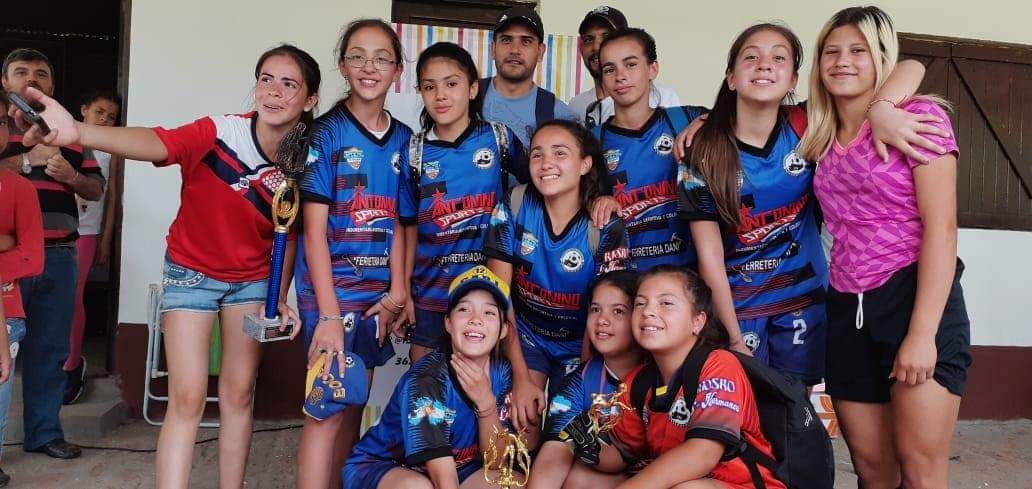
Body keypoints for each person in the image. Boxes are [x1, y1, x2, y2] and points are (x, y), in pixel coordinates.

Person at [14, 44, 317, 487]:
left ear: (309, 99)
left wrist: (279, 296)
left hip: (252, 282)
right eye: (266, 79)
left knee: (238, 394)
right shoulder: (220, 132)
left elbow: (288, 233)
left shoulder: (306, 159)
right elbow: (156, 141)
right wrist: (78, 132)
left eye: (289, 84)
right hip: (192, 274)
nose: (273, 91)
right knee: (188, 397)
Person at [677, 22, 944, 382]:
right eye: (751, 57)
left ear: (793, 80)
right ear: (731, 78)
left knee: (795, 407)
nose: (764, 64)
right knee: (740, 406)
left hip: (804, 300)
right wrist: (734, 338)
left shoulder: (810, 124)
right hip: (739, 307)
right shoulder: (701, 154)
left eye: (779, 58)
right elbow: (709, 258)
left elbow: (912, 66)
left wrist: (881, 108)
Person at [803, 7, 970, 489]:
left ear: (880, 58)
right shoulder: (817, 132)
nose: (842, 61)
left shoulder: (919, 117)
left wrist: (922, 334)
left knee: (920, 470)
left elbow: (942, 229)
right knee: (873, 472)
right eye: (831, 52)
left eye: (858, 51)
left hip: (912, 296)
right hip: (845, 306)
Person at [294, 19, 411, 489]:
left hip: (376, 300)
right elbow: (312, 233)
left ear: (397, 70)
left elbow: (400, 223)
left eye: (382, 58)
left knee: (355, 403)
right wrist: (327, 314)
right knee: (325, 409)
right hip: (332, 295)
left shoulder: (405, 140)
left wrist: (398, 291)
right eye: (358, 56)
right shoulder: (324, 134)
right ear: (342, 66)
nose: (369, 67)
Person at [565, 266, 786, 488]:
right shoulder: (638, 383)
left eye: (666, 303)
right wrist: (591, 447)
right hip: (679, 481)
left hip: (742, 484)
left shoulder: (719, 364)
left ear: (697, 321)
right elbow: (624, 453)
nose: (648, 311)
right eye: (640, 303)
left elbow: (702, 454)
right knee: (583, 478)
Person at [485, 119, 630, 436]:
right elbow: (499, 298)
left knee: (567, 439)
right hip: (526, 338)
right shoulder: (514, 205)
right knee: (518, 436)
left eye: (560, 153)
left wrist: (583, 381)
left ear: (585, 164)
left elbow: (605, 315)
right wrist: (521, 377)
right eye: (537, 154)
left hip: (580, 346)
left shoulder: (605, 225)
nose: (546, 163)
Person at [0, 47, 103, 460]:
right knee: (2, 351)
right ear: (5, 82)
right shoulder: (0, 130)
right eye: (21, 71)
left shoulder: (69, 132)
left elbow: (96, 190)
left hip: (59, 255)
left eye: (41, 73)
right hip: (8, 260)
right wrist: (28, 159)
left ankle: (44, 433)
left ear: (52, 85)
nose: (32, 79)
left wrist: (72, 175)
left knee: (51, 349)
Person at [399, 42, 528, 364]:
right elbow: (408, 227)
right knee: (425, 386)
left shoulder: (498, 138)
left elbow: (541, 187)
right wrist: (405, 292)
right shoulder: (413, 152)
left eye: (451, 84)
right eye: (430, 87)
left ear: (472, 89)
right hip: (431, 294)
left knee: (483, 384)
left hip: (485, 293)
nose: (440, 95)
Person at [342, 265, 520, 489]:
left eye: (489, 312)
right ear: (448, 323)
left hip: (460, 467)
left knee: (514, 483)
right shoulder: (427, 381)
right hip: (385, 467)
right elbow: (443, 480)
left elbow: (495, 463)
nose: (476, 319)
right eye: (464, 309)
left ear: (503, 329)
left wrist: (487, 406)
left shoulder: (502, 372)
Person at [594, 28, 703, 272]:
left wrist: (710, 120)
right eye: (609, 69)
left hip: (685, 274)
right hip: (625, 278)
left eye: (631, 64)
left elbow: (744, 120)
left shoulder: (686, 119)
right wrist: (595, 201)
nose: (620, 76)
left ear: (653, 68)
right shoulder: (593, 141)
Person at [528, 270, 642, 489]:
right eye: (595, 309)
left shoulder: (659, 372)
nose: (602, 321)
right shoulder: (581, 380)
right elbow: (556, 449)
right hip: (615, 472)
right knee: (579, 479)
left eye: (618, 311)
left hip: (667, 474)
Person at [65, 89, 123, 405]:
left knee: (73, 297)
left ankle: (71, 364)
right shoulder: (64, 138)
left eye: (111, 117)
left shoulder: (111, 150)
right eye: (99, 112)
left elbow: (112, 196)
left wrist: (107, 237)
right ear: (84, 110)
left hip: (87, 231)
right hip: (57, 229)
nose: (104, 120)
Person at [0, 93, 42, 487]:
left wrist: (11, 247)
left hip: (6, 306)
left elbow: (32, 258)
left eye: (0, 122)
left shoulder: (18, 189)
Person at [477, 6, 577, 146]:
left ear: (540, 52)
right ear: (493, 49)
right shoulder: (465, 99)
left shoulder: (560, 116)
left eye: (526, 41)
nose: (515, 50)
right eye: (506, 40)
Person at [567, 6, 681, 129]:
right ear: (580, 48)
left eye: (607, 37)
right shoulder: (576, 105)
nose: (596, 47)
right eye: (588, 39)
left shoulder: (664, 96)